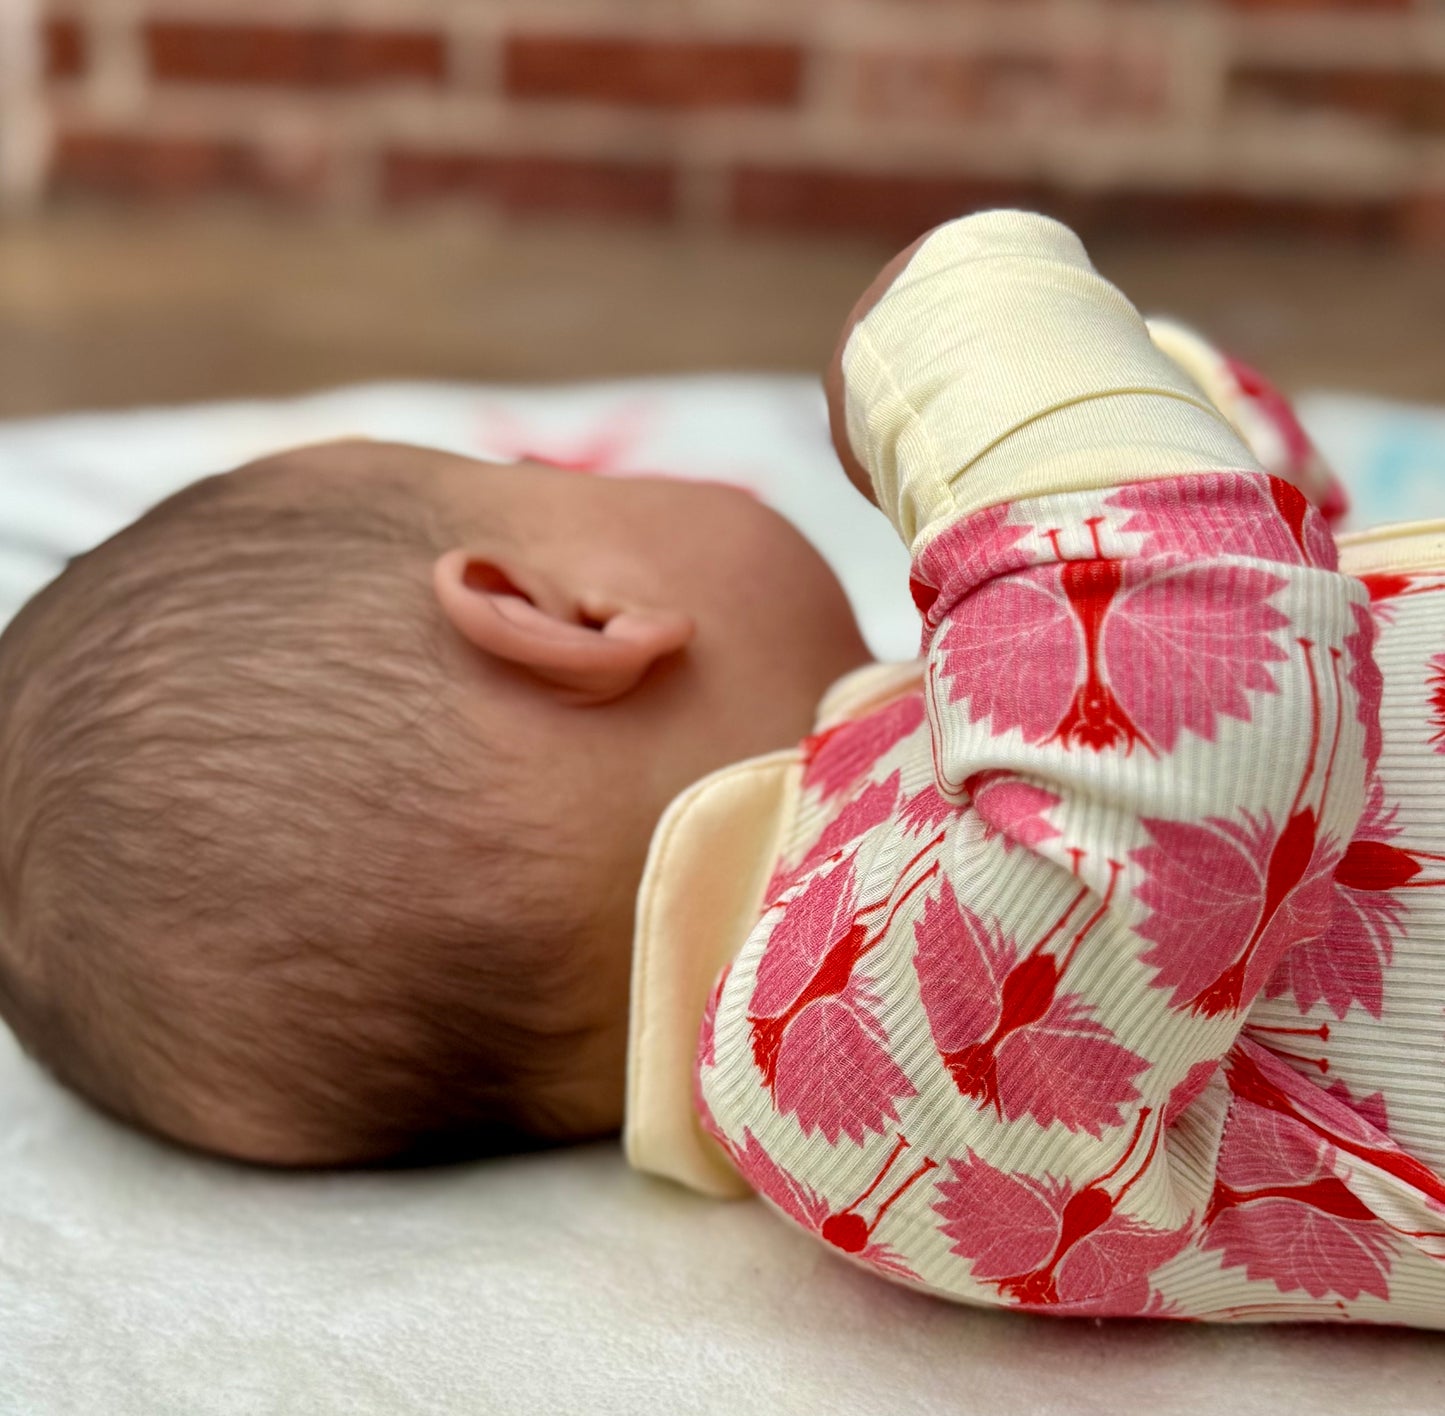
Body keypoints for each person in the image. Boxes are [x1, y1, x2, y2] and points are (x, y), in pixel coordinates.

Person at [3, 211, 1443, 1324]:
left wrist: (1164, 423)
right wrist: (968, 344)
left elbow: (1270, 628)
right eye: (564, 483)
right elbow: (1194, 710)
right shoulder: (829, 1064)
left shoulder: (928, 848)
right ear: (561, 618)